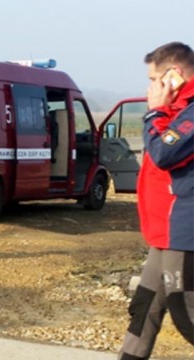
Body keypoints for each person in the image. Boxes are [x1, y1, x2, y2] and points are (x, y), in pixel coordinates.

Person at [118, 42, 194, 359]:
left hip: (183, 230)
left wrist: (154, 112)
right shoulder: (175, 112)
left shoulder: (189, 112)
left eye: (153, 80)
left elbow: (164, 153)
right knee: (144, 307)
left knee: (186, 314)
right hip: (163, 232)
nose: (150, 88)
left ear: (173, 76)